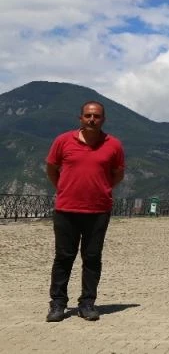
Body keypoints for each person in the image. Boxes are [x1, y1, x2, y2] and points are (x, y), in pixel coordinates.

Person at [45, 101, 125, 322]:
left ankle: (87, 303)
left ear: (103, 119)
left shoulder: (113, 145)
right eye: (88, 115)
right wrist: (63, 188)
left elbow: (118, 174)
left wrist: (102, 188)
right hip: (66, 209)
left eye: (96, 116)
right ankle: (58, 303)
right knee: (63, 257)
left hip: (98, 210)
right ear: (80, 118)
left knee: (92, 257)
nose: (92, 119)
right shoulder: (62, 141)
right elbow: (51, 168)